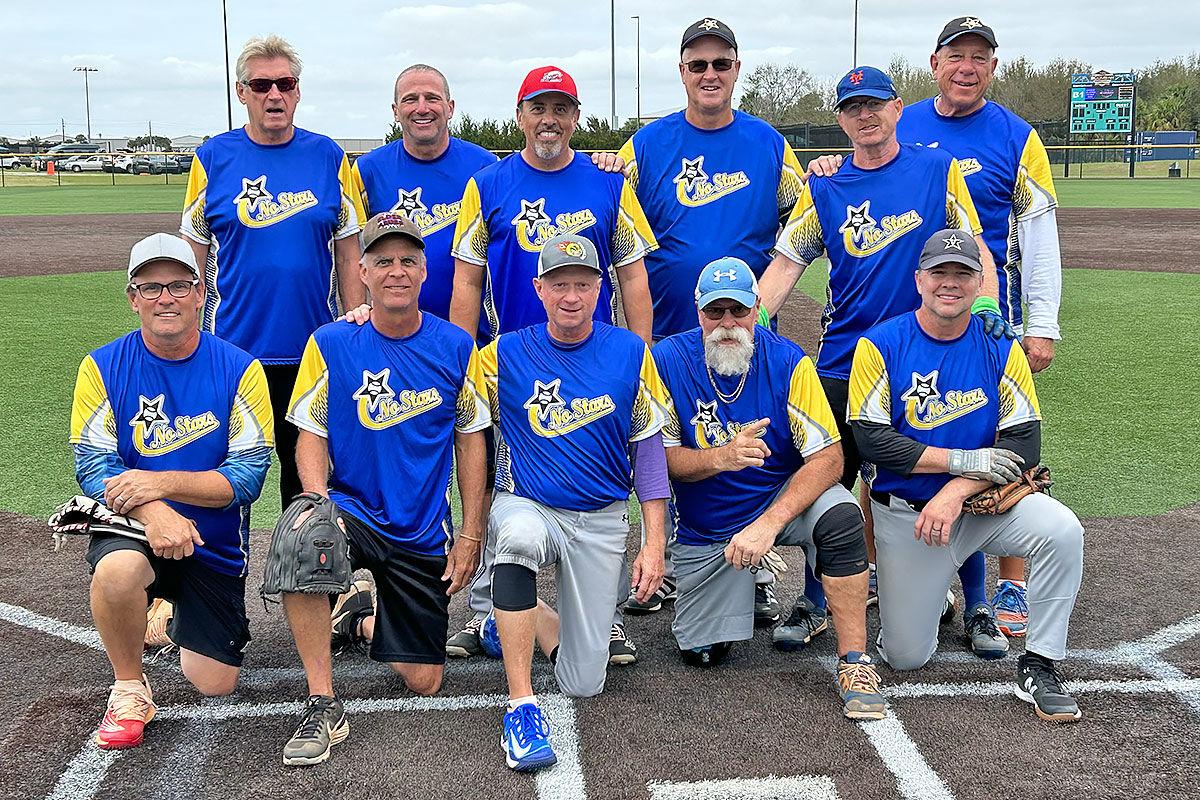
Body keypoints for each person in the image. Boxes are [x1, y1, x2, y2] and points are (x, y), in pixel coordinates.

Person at [758, 65, 1010, 659]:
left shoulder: (937, 170)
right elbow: (787, 264)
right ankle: (816, 601)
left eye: (874, 103)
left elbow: (975, 248)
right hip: (844, 361)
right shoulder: (824, 189)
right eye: (853, 107)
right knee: (831, 481)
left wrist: (989, 307)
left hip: (929, 355)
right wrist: (755, 321)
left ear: (898, 107)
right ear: (841, 119)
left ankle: (976, 604)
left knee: (950, 474)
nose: (865, 115)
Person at [599, 17, 807, 625]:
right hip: (668, 333)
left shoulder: (769, 144)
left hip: (740, 335)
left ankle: (751, 567)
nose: (709, 74)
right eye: (698, 64)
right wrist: (600, 166)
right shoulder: (647, 145)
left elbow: (806, 219)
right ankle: (662, 559)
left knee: (745, 445)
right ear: (683, 72)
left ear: (736, 69)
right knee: (663, 448)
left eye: (721, 63)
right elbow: (607, 210)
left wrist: (826, 173)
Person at [446, 65, 658, 662]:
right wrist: (463, 363)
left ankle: (600, 617)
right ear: (520, 116)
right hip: (511, 368)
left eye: (561, 108)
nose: (549, 120)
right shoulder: (487, 184)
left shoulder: (608, 184)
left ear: (576, 117)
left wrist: (636, 360)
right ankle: (489, 612)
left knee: (598, 489)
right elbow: (467, 282)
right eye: (538, 108)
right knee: (502, 488)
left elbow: (632, 278)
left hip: (591, 363)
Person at [277, 212, 490, 765]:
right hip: (353, 510)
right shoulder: (331, 342)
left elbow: (471, 443)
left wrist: (471, 533)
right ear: (363, 272)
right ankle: (322, 701)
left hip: (421, 528)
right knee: (303, 538)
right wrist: (316, 500)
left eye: (408, 261)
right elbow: (311, 433)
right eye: (383, 261)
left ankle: (362, 618)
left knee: (424, 681)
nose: (396, 271)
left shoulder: (456, 346)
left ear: (424, 271)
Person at [847, 228, 1084, 723]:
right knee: (905, 657)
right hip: (909, 518)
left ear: (979, 284)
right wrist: (960, 461)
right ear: (919, 280)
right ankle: (931, 597)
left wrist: (956, 489)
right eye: (939, 272)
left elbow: (1024, 444)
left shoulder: (1001, 347)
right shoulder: (879, 344)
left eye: (963, 273)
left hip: (979, 511)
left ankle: (1040, 664)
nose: (950, 283)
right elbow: (871, 441)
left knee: (1063, 530)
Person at [653, 257, 883, 720]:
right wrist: (722, 457)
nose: (727, 323)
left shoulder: (789, 361)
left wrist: (769, 524)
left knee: (841, 515)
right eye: (715, 311)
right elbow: (659, 464)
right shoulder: (666, 360)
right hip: (709, 526)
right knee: (702, 654)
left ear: (757, 308)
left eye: (738, 310)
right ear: (698, 311)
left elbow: (830, 459)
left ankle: (855, 662)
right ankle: (743, 584)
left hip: (779, 503)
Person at [70, 233, 274, 749]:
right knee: (118, 571)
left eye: (179, 285)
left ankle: (164, 608)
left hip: (213, 543)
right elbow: (93, 465)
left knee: (214, 683)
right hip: (135, 528)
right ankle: (128, 688)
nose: (166, 298)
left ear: (200, 292)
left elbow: (248, 476)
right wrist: (155, 511)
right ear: (133, 297)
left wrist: (158, 481)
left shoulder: (241, 367)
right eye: (151, 287)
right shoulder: (101, 366)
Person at [897, 16, 1065, 636]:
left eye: (979, 57)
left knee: (1005, 444)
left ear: (993, 67)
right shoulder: (902, 122)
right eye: (956, 55)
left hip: (991, 321)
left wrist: (1040, 325)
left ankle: (1011, 583)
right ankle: (911, 570)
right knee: (907, 439)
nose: (966, 67)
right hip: (916, 316)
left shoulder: (1018, 137)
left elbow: (1040, 235)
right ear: (934, 63)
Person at [482, 234, 669, 771]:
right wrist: (365, 315)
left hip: (601, 517)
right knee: (517, 539)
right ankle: (520, 706)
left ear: (600, 288)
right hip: (530, 504)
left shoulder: (631, 352)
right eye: (559, 284)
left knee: (584, 681)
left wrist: (653, 543)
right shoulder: (500, 355)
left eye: (583, 284)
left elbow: (648, 450)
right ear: (538, 288)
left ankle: (508, 614)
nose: (571, 296)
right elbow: (443, 394)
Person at [180, 34, 366, 510]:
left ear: (298, 91)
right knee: (220, 475)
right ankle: (217, 561)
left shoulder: (329, 157)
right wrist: (185, 337)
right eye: (261, 85)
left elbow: (349, 252)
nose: (275, 95)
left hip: (311, 352)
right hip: (230, 352)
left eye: (285, 83)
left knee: (306, 480)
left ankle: (301, 561)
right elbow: (191, 254)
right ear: (241, 92)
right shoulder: (212, 158)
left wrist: (355, 323)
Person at [352, 64, 498, 324]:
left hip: (471, 331)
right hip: (392, 332)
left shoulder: (486, 167)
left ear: (450, 108)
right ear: (395, 111)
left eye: (432, 98)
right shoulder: (367, 171)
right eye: (410, 99)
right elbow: (353, 253)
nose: (422, 108)